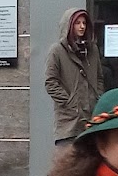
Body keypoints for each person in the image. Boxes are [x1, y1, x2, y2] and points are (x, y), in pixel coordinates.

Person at [45, 8, 105, 144]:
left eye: (84, 23)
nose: (82, 26)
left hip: (91, 120)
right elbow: (51, 82)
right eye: (77, 23)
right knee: (69, 156)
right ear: (69, 25)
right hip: (68, 123)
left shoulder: (92, 50)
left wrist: (97, 98)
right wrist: (70, 103)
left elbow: (99, 78)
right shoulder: (57, 51)